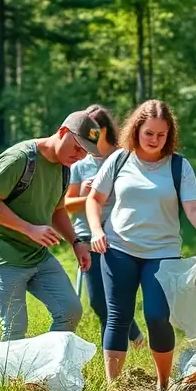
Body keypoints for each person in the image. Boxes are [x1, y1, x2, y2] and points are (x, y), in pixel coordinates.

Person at [87, 99, 196, 391]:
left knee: (158, 315)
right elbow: (94, 199)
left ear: (169, 134)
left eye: (161, 135)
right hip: (118, 247)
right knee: (117, 316)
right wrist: (96, 230)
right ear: (137, 129)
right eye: (149, 133)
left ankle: (162, 384)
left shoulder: (178, 166)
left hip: (162, 252)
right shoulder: (119, 159)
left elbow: (193, 206)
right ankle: (114, 389)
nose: (154, 140)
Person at [0, 112, 99, 341]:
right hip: (2, 256)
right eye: (77, 147)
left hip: (37, 255)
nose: (80, 156)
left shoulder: (64, 167)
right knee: (14, 329)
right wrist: (30, 229)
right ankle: (10, 377)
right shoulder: (19, 158)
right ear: (63, 132)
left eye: (85, 152)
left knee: (70, 312)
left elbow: (58, 210)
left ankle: (46, 371)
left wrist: (76, 242)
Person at [64, 104, 144, 349]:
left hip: (119, 237)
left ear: (106, 130)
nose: (88, 138)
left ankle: (111, 361)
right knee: (98, 302)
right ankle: (135, 336)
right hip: (88, 237)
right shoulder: (80, 163)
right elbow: (67, 204)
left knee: (116, 301)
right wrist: (88, 195)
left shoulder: (124, 159)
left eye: (94, 131)